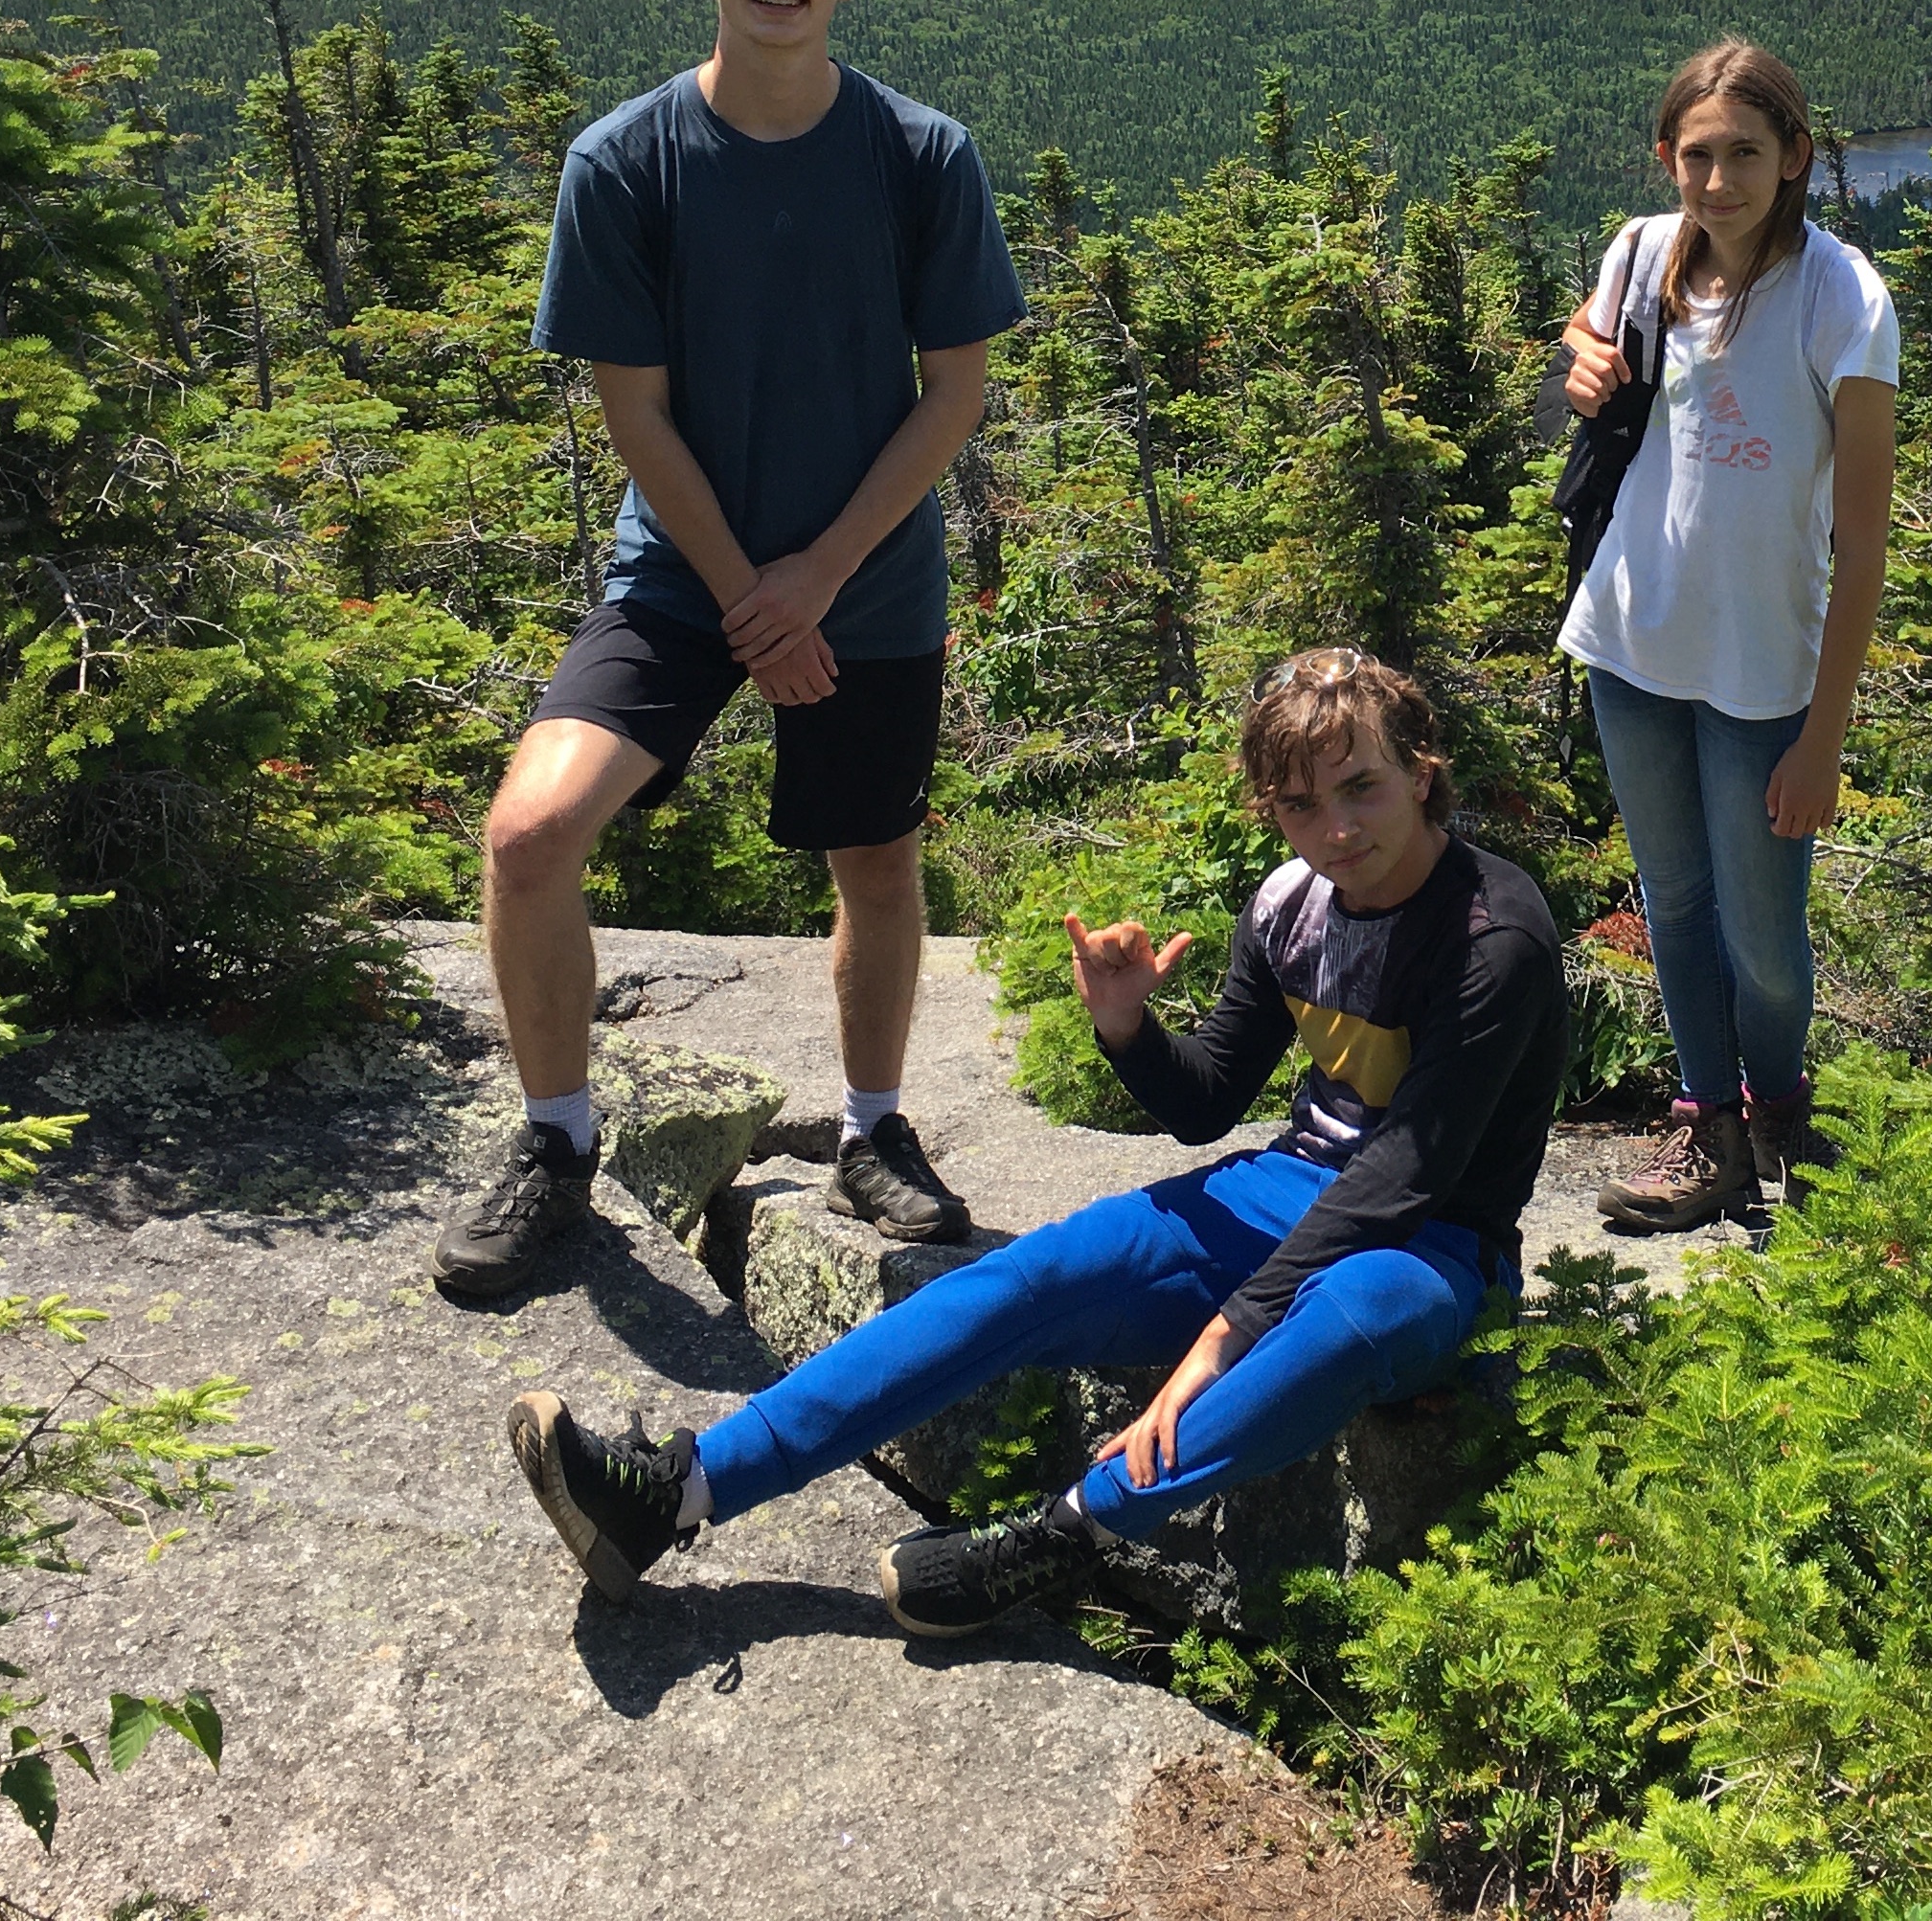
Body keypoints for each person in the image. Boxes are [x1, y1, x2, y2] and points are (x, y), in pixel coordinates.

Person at [503, 649, 1569, 1636]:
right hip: (1288, 1189)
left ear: (1423, 775)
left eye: (1361, 788)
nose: (1334, 829)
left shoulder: (1493, 931)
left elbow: (1406, 1173)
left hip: (1435, 1242)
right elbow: (1206, 1103)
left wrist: (1225, 1334)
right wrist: (1127, 1025)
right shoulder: (1291, 904)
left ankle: (1064, 1536)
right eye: (1300, 803)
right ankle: (680, 1488)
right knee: (1034, 1271)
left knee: (1352, 1309)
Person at [430, 0, 1028, 1300]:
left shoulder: (919, 156)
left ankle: (876, 1130)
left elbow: (953, 388)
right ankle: (558, 1142)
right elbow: (632, 409)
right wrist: (755, 598)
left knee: (873, 861)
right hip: (682, 577)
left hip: (866, 581)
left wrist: (815, 576)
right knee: (526, 838)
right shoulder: (625, 161)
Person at [1558, 38, 1898, 1231]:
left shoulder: (1840, 295)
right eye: (1695, 155)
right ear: (1666, 157)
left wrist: (1824, 735)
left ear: (1795, 156)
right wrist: (1580, 355)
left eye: (1745, 153)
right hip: (1631, 637)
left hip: (1763, 671)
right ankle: (1706, 1124)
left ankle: (1779, 1106)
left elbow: (1863, 539)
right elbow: (1594, 345)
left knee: (1761, 931)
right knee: (1673, 903)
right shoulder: (1641, 251)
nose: (1718, 180)